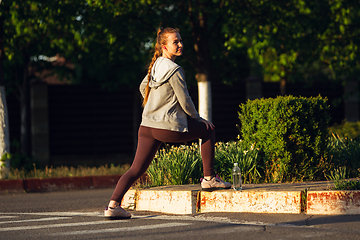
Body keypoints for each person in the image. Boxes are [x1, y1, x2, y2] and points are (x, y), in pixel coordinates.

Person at [104, 27, 231, 219]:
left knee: (136, 169)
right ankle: (209, 179)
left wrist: (155, 104)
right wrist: (199, 118)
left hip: (147, 127)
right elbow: (185, 100)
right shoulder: (175, 70)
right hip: (168, 128)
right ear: (164, 46)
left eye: (180, 40)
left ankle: (113, 206)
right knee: (208, 130)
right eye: (175, 42)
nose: (180, 45)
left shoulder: (156, 65)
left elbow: (142, 87)